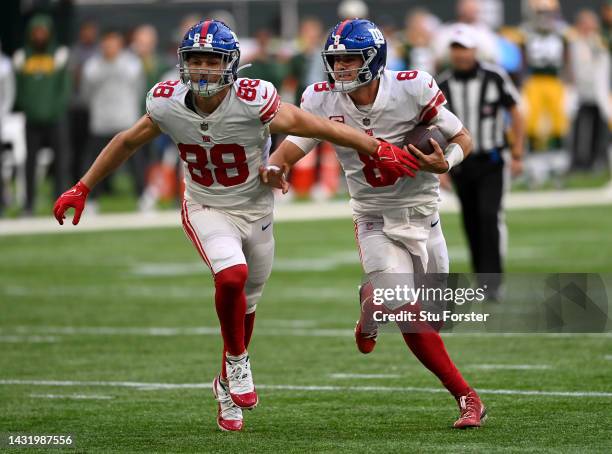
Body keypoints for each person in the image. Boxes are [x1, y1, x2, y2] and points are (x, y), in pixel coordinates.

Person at [53, 19, 418, 432]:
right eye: (195, 60)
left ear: (230, 65)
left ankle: (225, 385)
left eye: (212, 60)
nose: (203, 69)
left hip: (256, 209)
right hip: (206, 205)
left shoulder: (254, 99)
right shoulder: (167, 101)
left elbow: (314, 126)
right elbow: (126, 141)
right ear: (182, 63)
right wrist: (82, 187)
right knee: (232, 277)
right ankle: (237, 362)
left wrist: (375, 146)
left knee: (247, 302)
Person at [263, 18, 486, 429]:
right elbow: (293, 146)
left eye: (350, 60)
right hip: (373, 217)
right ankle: (467, 397)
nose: (341, 69)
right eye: (337, 61)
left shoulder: (412, 86)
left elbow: (464, 139)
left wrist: (445, 161)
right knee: (409, 313)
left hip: (424, 215)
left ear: (374, 59)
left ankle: (372, 303)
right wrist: (276, 166)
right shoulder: (321, 99)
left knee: (436, 316)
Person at [437, 24, 524, 298]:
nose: (460, 54)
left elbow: (516, 111)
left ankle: (493, 283)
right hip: (461, 163)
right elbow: (433, 127)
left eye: (464, 48)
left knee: (489, 216)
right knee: (471, 221)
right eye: (456, 49)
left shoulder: (495, 77)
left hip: (492, 160)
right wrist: (442, 168)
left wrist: (518, 152)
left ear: (475, 50)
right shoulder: (443, 84)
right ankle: (482, 280)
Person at [13, 14, 72, 215]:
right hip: (32, 119)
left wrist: (54, 109)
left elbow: (64, 89)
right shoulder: (22, 57)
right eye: (36, 32)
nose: (39, 36)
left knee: (61, 161)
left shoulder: (60, 55)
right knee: (30, 162)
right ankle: (29, 204)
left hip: (56, 118)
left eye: (42, 32)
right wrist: (30, 108)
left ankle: (61, 204)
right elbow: (19, 90)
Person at [81, 29, 145, 208]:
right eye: (107, 43)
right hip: (101, 122)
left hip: (126, 121)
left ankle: (143, 196)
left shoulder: (132, 64)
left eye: (113, 42)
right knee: (97, 163)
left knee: (136, 161)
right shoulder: (92, 66)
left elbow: (139, 90)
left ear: (120, 44)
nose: (110, 47)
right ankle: (91, 200)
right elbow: (86, 94)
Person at [569, 10, 610, 171]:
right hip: (582, 95)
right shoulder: (577, 43)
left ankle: (599, 160)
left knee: (599, 130)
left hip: (599, 95)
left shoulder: (599, 43)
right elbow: (580, 70)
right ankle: (579, 162)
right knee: (581, 130)